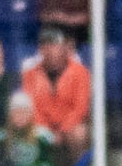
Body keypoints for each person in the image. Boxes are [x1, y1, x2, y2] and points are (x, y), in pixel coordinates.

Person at [23, 26, 91, 158]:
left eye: (56, 45)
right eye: (47, 46)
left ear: (65, 48)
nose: (52, 51)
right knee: (26, 132)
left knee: (79, 133)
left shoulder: (81, 72)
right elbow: (31, 108)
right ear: (41, 49)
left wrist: (62, 130)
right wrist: (47, 132)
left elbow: (80, 108)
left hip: (70, 125)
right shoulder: (30, 75)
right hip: (42, 126)